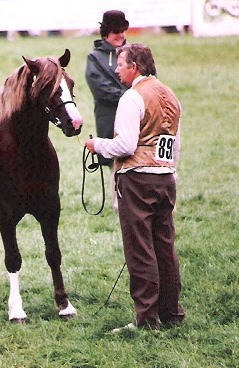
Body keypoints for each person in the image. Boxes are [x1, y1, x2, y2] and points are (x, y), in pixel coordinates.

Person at [85, 44, 185, 332]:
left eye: (121, 64)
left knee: (140, 251)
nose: (117, 70)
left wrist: (98, 145)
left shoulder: (132, 97)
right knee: (165, 249)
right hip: (165, 178)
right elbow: (174, 145)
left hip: (137, 180)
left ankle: (146, 319)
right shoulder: (171, 95)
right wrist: (170, 174)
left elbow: (126, 145)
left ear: (135, 67)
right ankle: (171, 313)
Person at [85, 10, 130, 212]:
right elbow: (100, 88)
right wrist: (130, 96)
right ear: (105, 33)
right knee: (115, 160)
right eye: (115, 31)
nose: (120, 35)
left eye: (122, 31)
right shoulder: (95, 58)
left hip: (136, 114)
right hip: (109, 116)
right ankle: (118, 203)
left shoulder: (134, 52)